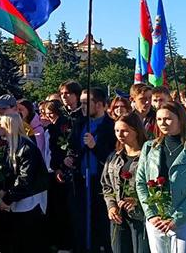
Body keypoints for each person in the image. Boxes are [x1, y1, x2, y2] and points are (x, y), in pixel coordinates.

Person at [136, 102, 186, 253]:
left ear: (180, 120)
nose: (163, 123)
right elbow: (141, 182)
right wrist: (151, 214)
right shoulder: (150, 147)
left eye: (168, 119)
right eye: (159, 119)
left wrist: (176, 219)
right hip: (156, 221)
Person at [66, 88, 116, 252]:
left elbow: (113, 156)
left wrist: (95, 147)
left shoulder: (111, 127)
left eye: (86, 103)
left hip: (100, 182)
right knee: (81, 222)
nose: (82, 107)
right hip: (81, 180)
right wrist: (70, 157)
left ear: (100, 105)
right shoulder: (80, 123)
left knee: (100, 222)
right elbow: (72, 146)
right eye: (81, 103)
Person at [0, 113, 49, 253]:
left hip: (30, 199)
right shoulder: (9, 145)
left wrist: (7, 198)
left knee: (27, 241)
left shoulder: (27, 147)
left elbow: (25, 179)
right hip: (17, 198)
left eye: (2, 126)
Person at [100, 113, 149, 253]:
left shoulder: (148, 156)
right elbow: (106, 184)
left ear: (136, 130)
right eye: (117, 130)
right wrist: (111, 206)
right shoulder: (114, 156)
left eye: (125, 130)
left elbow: (155, 185)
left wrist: (137, 200)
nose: (120, 134)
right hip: (119, 216)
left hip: (140, 217)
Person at [39, 99, 72, 250]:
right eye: (46, 114)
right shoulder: (50, 126)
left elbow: (58, 147)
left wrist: (57, 167)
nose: (48, 117)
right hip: (49, 169)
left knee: (60, 207)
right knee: (52, 207)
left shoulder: (61, 124)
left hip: (58, 169)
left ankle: (64, 241)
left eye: (50, 114)